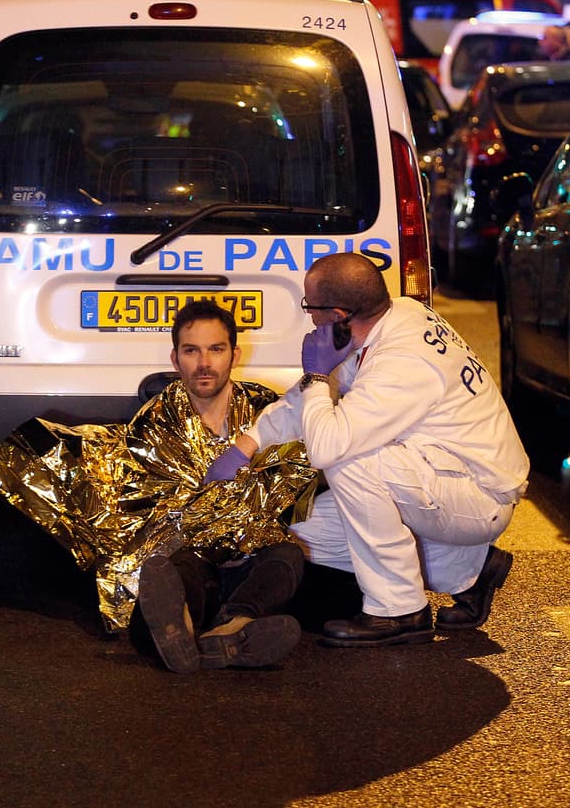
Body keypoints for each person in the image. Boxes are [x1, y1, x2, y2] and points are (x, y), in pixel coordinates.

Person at [204, 253, 530, 647]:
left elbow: (327, 445)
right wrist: (247, 444)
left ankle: (400, 610)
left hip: (476, 496)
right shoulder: (394, 317)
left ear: (339, 314)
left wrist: (316, 374)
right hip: (440, 478)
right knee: (303, 532)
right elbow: (309, 402)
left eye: (310, 307)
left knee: (350, 461)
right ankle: (471, 569)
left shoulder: (403, 362)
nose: (309, 318)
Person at [0, 300, 312, 673]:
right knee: (173, 572)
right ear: (176, 359)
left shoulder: (266, 407)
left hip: (253, 553)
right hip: (191, 554)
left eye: (215, 349)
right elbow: (156, 507)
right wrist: (229, 510)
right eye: (192, 351)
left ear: (234, 354)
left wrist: (240, 520)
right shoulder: (156, 419)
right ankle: (199, 631)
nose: (204, 363)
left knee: (287, 557)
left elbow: (289, 479)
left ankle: (232, 624)